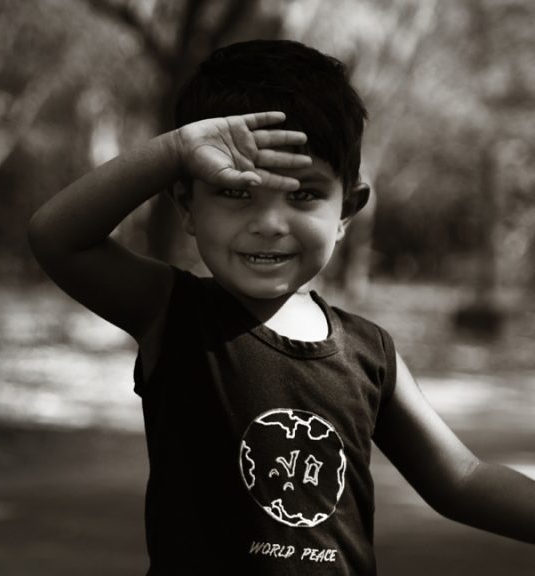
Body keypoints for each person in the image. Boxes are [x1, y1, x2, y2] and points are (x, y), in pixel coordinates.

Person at [28, 39, 535, 574]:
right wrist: (175, 150)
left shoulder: (370, 353)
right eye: (235, 192)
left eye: (303, 196)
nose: (270, 223)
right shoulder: (171, 312)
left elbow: (462, 478)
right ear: (187, 206)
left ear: (347, 211)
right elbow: (57, 237)